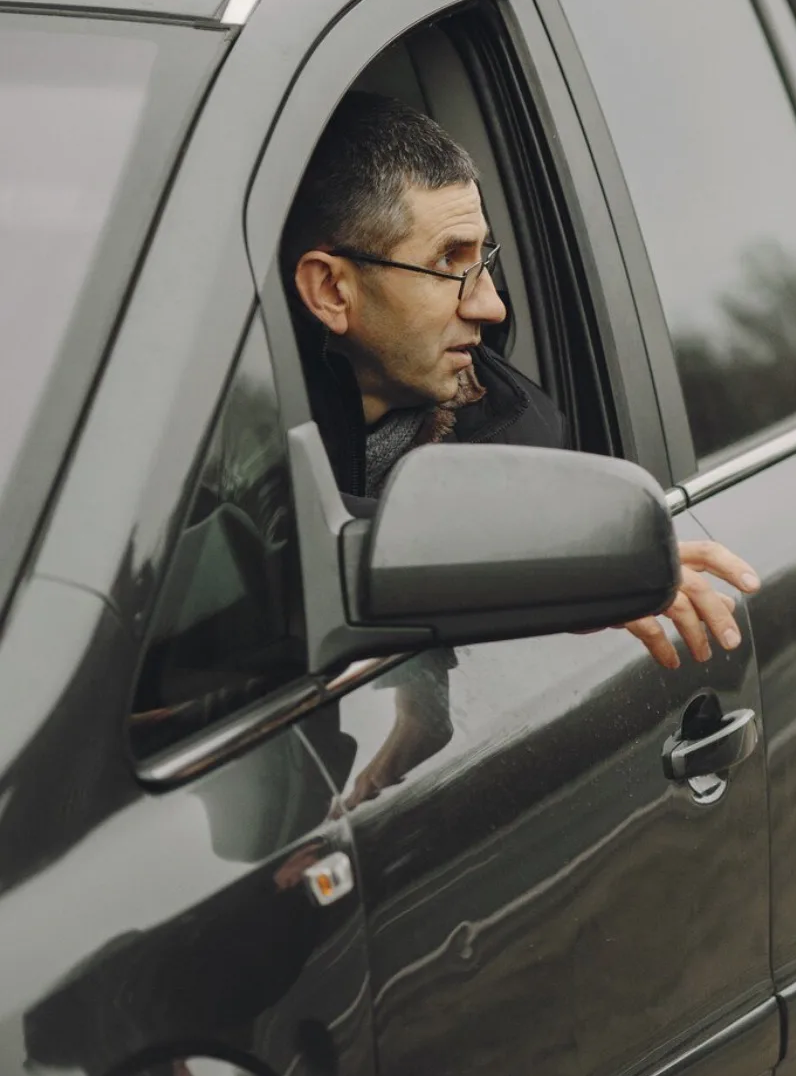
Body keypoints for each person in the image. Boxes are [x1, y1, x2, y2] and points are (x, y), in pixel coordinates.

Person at [283, 92, 758, 673]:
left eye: (483, 258)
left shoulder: (514, 427)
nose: (491, 306)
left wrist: (574, 569)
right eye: (448, 262)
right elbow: (262, 560)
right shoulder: (222, 436)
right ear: (332, 291)